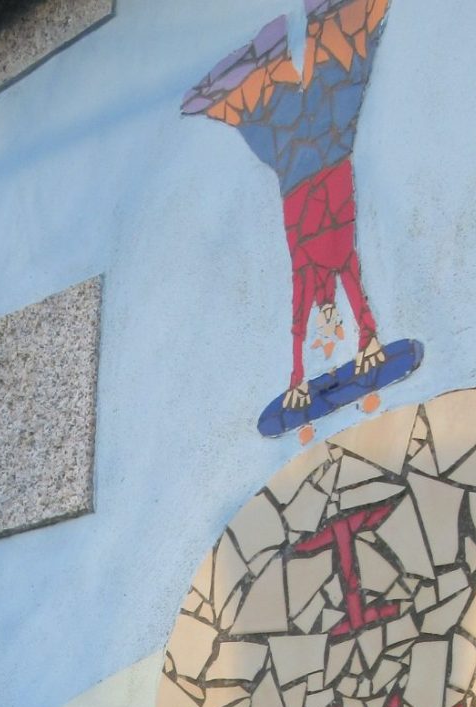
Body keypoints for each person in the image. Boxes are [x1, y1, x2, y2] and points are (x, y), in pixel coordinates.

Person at [183, 0, 391, 410]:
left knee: (320, 103)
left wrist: (300, 377)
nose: (329, 327)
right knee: (322, 101)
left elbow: (304, 312)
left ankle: (281, 57)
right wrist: (362, 340)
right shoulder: (324, 269)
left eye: (329, 326)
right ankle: (294, 48)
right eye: (332, 326)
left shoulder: (317, 273)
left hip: (306, 181)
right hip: (312, 178)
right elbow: (334, 286)